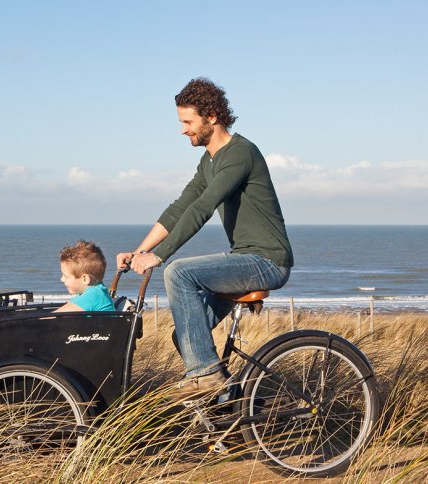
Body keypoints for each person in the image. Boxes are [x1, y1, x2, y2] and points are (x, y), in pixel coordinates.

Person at [116, 78, 293, 400]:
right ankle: (233, 409)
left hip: (267, 261)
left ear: (211, 116)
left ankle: (207, 376)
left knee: (179, 272)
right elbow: (180, 208)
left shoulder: (240, 153)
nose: (182, 130)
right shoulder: (208, 161)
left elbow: (203, 207)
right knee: (186, 336)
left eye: (187, 122)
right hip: (245, 259)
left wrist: (160, 256)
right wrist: (140, 250)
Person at [54, 240, 116, 312]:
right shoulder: (98, 292)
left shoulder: (93, 296)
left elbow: (54, 316)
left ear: (85, 279)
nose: (62, 279)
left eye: (66, 276)